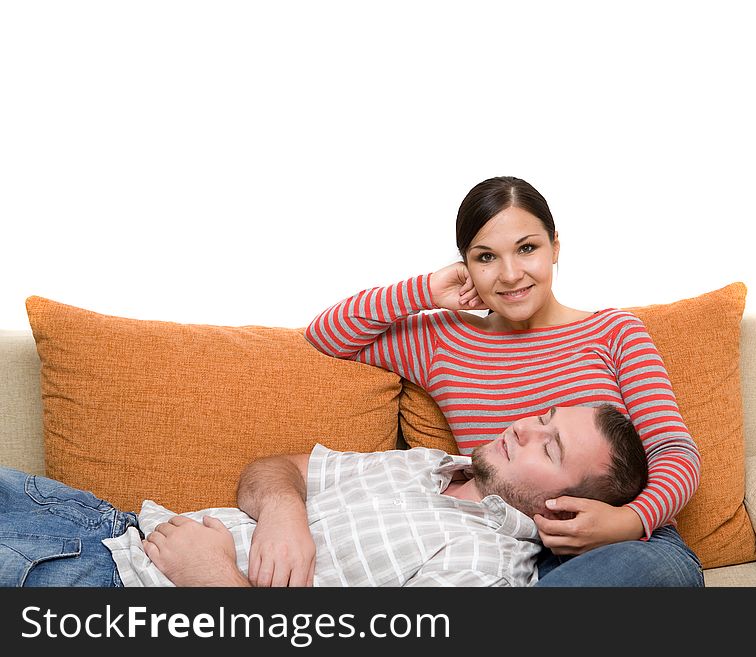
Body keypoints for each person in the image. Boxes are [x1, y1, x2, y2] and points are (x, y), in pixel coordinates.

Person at [302, 176, 704, 587]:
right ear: (465, 265)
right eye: (486, 257)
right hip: (507, 550)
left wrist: (628, 520)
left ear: (555, 248)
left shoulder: (613, 331)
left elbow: (673, 450)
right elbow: (327, 334)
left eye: (527, 248)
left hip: (629, 543)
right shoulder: (446, 340)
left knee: (656, 573)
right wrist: (423, 290)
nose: (510, 274)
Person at [0, 404, 647, 587]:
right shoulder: (429, 462)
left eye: (550, 447)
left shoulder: (482, 571)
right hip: (97, 519)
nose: (525, 427)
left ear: (564, 508)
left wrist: (213, 580)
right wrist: (284, 508)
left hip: (111, 585)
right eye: (544, 416)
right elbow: (271, 467)